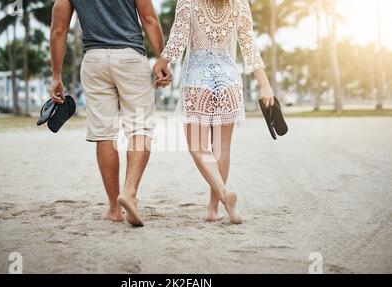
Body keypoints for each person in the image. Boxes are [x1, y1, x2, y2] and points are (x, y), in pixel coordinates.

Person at [50, 0, 172, 227]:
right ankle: (129, 192)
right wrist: (161, 60)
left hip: (94, 60)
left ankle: (115, 209)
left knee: (104, 133)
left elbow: (59, 29)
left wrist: (56, 75)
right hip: (130, 57)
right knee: (139, 127)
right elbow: (149, 18)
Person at [153, 0, 275, 224]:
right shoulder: (239, 3)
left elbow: (178, 39)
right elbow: (249, 46)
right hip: (229, 81)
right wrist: (265, 85)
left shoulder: (188, 1)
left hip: (198, 81)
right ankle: (213, 209)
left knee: (198, 148)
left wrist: (160, 63)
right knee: (222, 148)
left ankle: (224, 193)